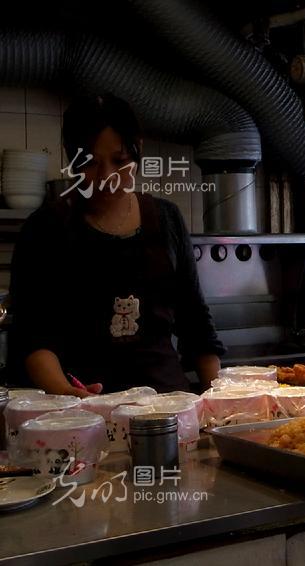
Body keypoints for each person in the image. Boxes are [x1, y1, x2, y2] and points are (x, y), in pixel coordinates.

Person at [8, 93, 224, 397]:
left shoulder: (167, 219)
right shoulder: (45, 229)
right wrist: (68, 396)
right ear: (71, 160)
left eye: (120, 161)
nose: (107, 176)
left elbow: (196, 324)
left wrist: (217, 399)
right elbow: (32, 338)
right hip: (81, 413)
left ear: (138, 152)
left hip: (166, 407)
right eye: (91, 164)